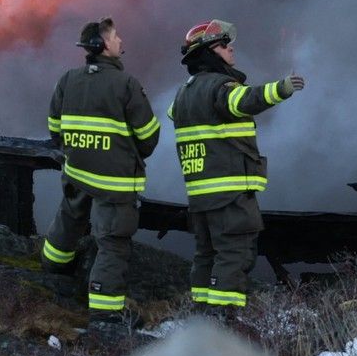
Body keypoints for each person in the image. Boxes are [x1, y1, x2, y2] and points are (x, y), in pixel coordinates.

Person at [167, 19, 305, 315]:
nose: (231, 49)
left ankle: (201, 316)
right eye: (224, 45)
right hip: (228, 191)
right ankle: (221, 323)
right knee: (235, 254)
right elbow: (244, 101)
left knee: (207, 255)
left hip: (200, 193)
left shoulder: (182, 94)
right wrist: (281, 89)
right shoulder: (220, 86)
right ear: (208, 52)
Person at [42, 17, 161, 339]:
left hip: (77, 171)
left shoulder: (68, 79)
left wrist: (78, 148)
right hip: (114, 181)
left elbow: (55, 128)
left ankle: (53, 268)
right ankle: (106, 313)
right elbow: (149, 136)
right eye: (116, 36)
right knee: (112, 243)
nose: (121, 40)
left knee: (70, 217)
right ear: (104, 45)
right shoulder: (126, 85)